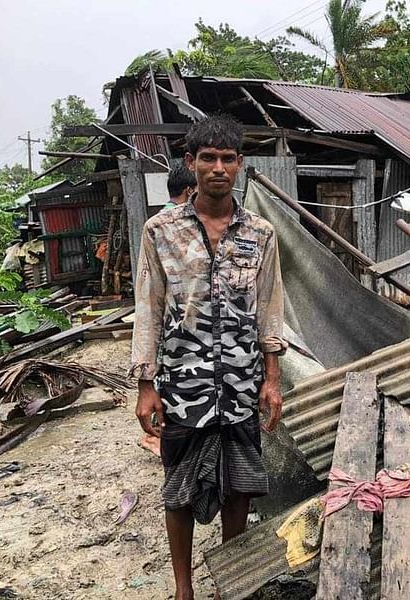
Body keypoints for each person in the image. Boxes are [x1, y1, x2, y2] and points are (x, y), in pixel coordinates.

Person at [130, 114, 286, 600]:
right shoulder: (160, 231)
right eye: (207, 158)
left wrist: (272, 379)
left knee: (239, 483)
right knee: (178, 486)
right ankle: (184, 589)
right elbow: (147, 307)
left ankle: (229, 583)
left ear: (240, 165)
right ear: (190, 163)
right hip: (181, 383)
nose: (217, 167)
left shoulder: (260, 233)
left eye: (227, 159)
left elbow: (270, 307)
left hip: (241, 380)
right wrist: (146, 385)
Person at [138, 162, 199, 457]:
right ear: (190, 191)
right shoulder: (167, 227)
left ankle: (162, 434)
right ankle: (164, 439)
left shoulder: (156, 221)